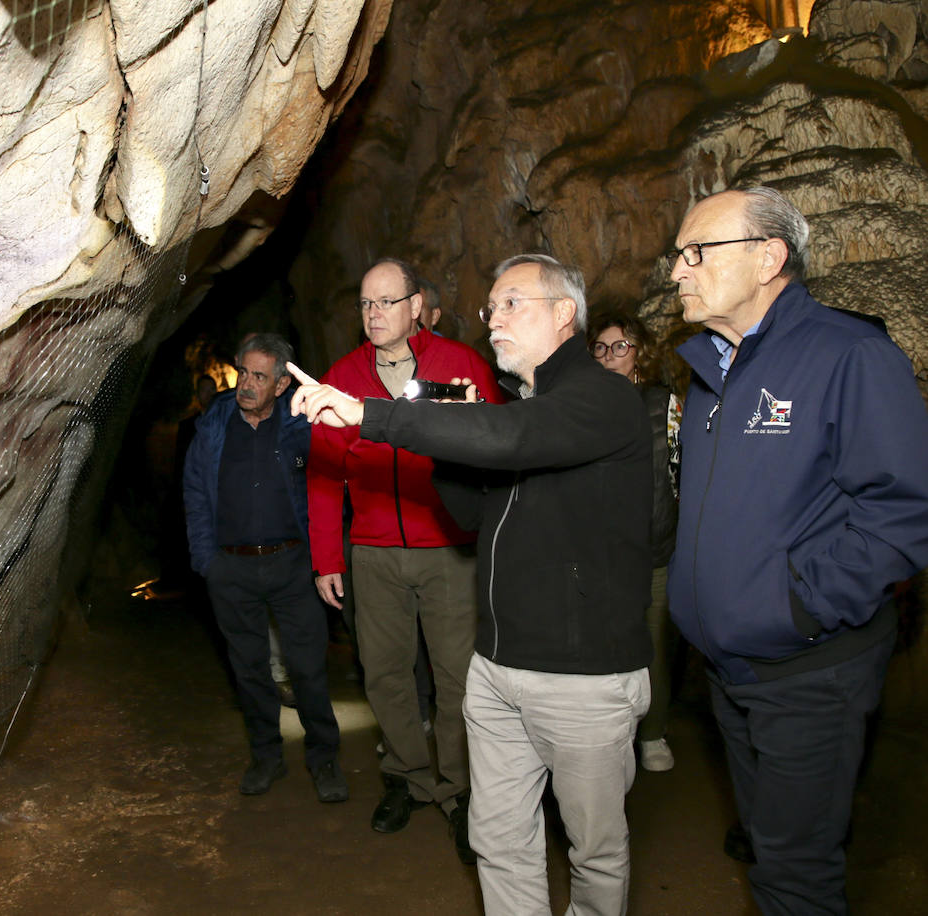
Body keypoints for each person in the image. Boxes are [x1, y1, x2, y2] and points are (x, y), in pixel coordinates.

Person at [290, 253, 653, 916]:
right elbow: (472, 511)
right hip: (497, 668)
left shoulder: (603, 398)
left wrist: (376, 417)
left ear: (564, 313)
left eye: (512, 303)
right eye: (491, 308)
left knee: (593, 850)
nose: (493, 321)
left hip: (580, 675)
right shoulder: (521, 406)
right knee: (501, 841)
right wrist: (448, 438)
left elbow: (510, 439)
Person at [666, 186, 928, 915]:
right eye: (676, 256)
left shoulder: (851, 355)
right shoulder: (712, 370)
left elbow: (903, 510)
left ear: (768, 257)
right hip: (732, 670)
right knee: (767, 846)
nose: (677, 271)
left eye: (696, 252)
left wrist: (800, 606)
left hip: (809, 672)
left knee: (795, 876)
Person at [305, 257, 502, 862]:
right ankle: (410, 776)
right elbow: (322, 474)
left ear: (416, 306)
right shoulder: (342, 376)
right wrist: (326, 557)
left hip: (446, 545)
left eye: (387, 302)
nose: (374, 314)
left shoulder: (460, 366)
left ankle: (461, 787)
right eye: (366, 304)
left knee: (457, 677)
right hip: (374, 551)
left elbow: (495, 448)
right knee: (385, 672)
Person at [182, 333, 347, 803]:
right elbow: (194, 491)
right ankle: (266, 757)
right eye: (244, 373)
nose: (247, 385)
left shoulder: (302, 424)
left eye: (259, 377)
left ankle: (325, 758)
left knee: (308, 667)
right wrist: (206, 561)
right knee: (249, 670)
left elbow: (327, 485)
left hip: (294, 565)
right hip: (231, 569)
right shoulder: (213, 426)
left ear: (280, 385)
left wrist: (324, 559)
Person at [589, 310, 682, 772]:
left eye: (620, 347)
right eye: (601, 348)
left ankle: (654, 732)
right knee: (605, 652)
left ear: (639, 354)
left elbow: (681, 472)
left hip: (655, 551)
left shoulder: (663, 403)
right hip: (599, 556)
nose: (610, 356)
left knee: (654, 648)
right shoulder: (581, 404)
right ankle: (613, 737)